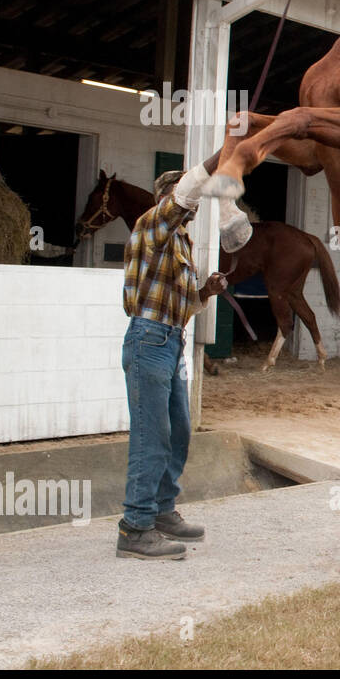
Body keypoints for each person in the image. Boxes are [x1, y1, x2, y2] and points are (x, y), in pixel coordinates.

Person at [118, 166, 227, 561]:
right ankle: (135, 526)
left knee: (178, 429)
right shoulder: (152, 225)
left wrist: (205, 292)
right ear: (170, 198)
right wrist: (216, 162)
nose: (194, 206)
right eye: (188, 198)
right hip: (148, 341)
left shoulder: (179, 244)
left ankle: (162, 511)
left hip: (168, 341)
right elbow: (180, 202)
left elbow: (180, 309)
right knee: (152, 434)